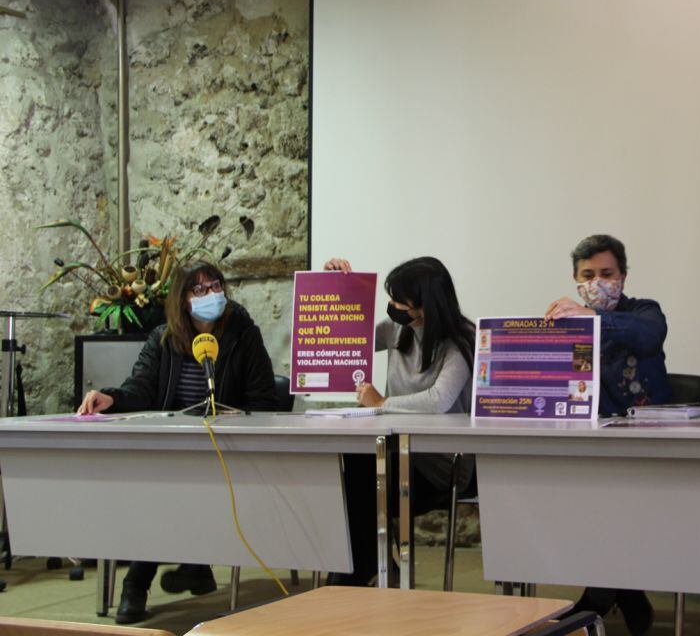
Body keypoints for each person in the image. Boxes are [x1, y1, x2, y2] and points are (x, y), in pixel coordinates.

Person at [77, 261, 278, 624]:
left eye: (215, 285)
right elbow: (141, 390)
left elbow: (264, 398)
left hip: (225, 449)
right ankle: (193, 566)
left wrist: (236, 417)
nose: (210, 295)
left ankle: (139, 580)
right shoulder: (163, 339)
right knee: (161, 485)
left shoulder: (242, 333)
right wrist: (111, 398)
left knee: (170, 490)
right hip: (173, 448)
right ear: (183, 300)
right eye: (199, 290)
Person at [545, 234, 671, 636]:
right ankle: (626, 592)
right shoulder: (565, 319)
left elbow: (649, 337)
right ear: (574, 278)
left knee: (617, 495)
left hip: (649, 446)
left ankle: (601, 597)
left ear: (623, 275)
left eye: (607, 273)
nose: (598, 281)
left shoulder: (645, 312)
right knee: (581, 494)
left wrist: (591, 318)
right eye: (588, 274)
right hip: (591, 444)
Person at [323, 256, 475, 586]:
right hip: (395, 454)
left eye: (399, 299)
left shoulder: (461, 340)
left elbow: (439, 400)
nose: (392, 306)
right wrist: (335, 287)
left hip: (440, 467)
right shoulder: (397, 331)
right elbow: (338, 338)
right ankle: (369, 568)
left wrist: (382, 403)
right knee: (352, 466)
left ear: (427, 303)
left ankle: (364, 571)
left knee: (360, 485)